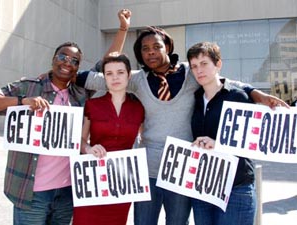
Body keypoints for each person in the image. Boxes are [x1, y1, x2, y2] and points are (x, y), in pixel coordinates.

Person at [76, 10, 287, 225]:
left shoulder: (191, 73)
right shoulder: (136, 80)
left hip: (182, 169)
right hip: (147, 171)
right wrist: (63, 76)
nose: (151, 52)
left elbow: (225, 81)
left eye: (156, 46)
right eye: (144, 49)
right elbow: (101, 74)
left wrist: (256, 93)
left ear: (167, 46)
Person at [0, 42, 88, 225]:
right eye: (63, 57)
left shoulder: (80, 95)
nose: (67, 63)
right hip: (31, 193)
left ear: (78, 68)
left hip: (66, 193)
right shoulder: (29, 87)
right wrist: (22, 101)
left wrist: (122, 29)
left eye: (74, 60)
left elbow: (108, 69)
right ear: (53, 59)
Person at [188, 42, 256, 225]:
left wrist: (217, 144)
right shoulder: (194, 99)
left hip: (236, 187)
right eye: (194, 66)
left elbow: (252, 141)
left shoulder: (238, 97)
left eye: (204, 64)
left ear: (218, 64)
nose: (199, 70)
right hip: (204, 186)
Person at [72, 53, 144, 225]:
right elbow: (80, 140)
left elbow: (144, 139)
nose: (115, 77)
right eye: (109, 73)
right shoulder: (92, 105)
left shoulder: (139, 108)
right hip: (92, 179)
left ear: (128, 75)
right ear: (104, 77)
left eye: (120, 72)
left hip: (122, 183)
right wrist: (88, 148)